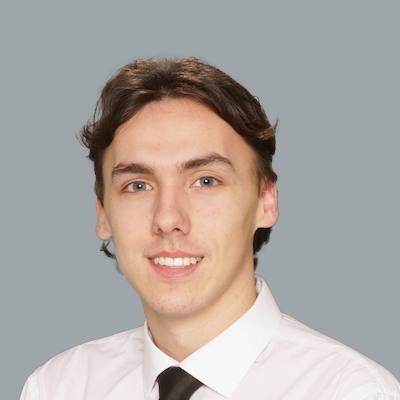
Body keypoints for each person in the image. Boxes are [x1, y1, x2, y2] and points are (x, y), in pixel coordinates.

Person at [20, 57, 400, 400]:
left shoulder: (352, 392)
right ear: (103, 211)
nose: (168, 219)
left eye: (205, 181)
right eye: (138, 185)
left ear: (266, 200)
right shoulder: (57, 388)